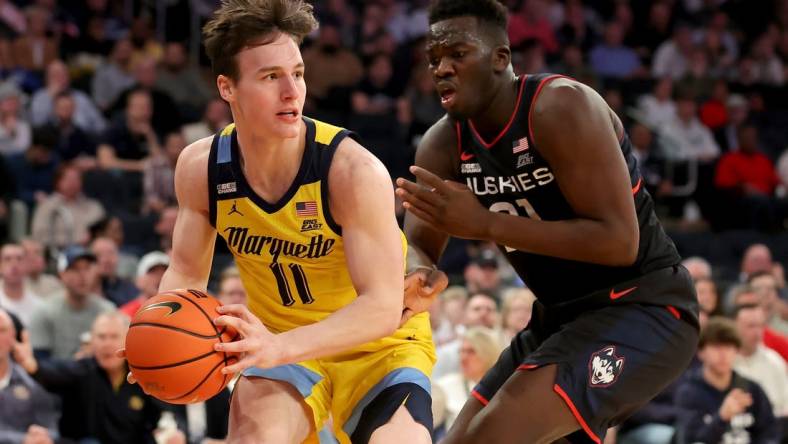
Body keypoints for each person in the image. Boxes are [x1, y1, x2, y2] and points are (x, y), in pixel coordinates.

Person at [120, 1, 444, 443]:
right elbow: (186, 275)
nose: (292, 91)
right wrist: (158, 339)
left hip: (378, 348)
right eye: (271, 76)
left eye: (298, 73)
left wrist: (277, 347)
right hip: (279, 345)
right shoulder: (202, 167)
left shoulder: (351, 171)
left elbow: (381, 308)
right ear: (226, 87)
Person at [395, 1, 699, 443]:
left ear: (501, 58)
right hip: (559, 317)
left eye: (457, 54)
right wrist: (418, 271)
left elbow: (619, 242)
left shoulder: (560, 106)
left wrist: (486, 225)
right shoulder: (441, 145)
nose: (441, 69)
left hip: (644, 306)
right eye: (434, 60)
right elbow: (420, 245)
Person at [15, 311, 171, 444]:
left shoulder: (142, 375)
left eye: (114, 337)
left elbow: (164, 417)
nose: (107, 344)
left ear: (129, 340)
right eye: (101, 337)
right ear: (92, 342)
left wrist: (171, 434)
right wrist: (32, 365)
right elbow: (54, 372)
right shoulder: (82, 370)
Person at [675, 317, 780, 444]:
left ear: (737, 351)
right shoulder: (689, 392)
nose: (723, 354)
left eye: (729, 347)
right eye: (716, 347)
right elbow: (693, 440)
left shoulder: (752, 389)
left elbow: (769, 433)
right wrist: (722, 417)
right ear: (701, 352)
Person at [28, 246, 114, 359]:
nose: (83, 275)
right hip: (54, 376)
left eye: (87, 268)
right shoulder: (44, 311)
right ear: (62, 274)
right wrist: (77, 365)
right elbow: (38, 363)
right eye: (75, 269)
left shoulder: (107, 311)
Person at [0, 308, 60, 443]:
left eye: (1, 330)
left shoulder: (29, 381)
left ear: (13, 336)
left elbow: (51, 426)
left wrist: (44, 436)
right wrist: (21, 440)